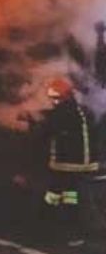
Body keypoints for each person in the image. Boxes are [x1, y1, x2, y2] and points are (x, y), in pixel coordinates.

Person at [39, 77, 99, 213]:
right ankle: (69, 210)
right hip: (88, 164)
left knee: (53, 191)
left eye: (56, 98)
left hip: (65, 163)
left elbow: (46, 134)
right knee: (70, 188)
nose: (54, 102)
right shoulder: (85, 111)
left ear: (65, 96)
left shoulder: (58, 114)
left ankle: (47, 212)